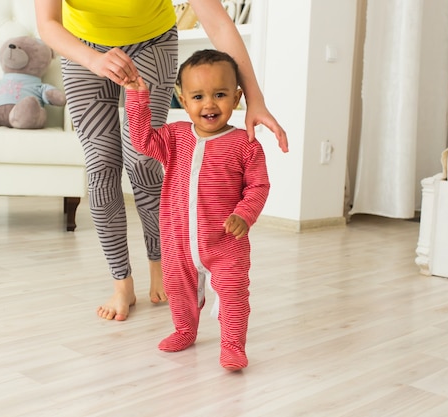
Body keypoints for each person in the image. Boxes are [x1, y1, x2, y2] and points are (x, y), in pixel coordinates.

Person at [34, 0, 288, 322]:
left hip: (151, 41)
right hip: (80, 44)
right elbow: (48, 24)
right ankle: (121, 283)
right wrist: (95, 61)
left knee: (142, 157)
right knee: (100, 165)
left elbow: (219, 23)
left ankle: (161, 262)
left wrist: (256, 99)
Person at [124, 49, 270, 371]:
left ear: (237, 97)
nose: (209, 104)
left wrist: (244, 214)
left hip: (225, 242)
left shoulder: (245, 144)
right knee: (178, 290)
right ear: (183, 99)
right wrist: (137, 98)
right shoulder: (175, 137)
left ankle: (232, 345)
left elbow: (258, 187)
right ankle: (185, 330)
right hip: (178, 240)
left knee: (233, 295)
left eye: (220, 94)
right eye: (198, 96)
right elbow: (142, 141)